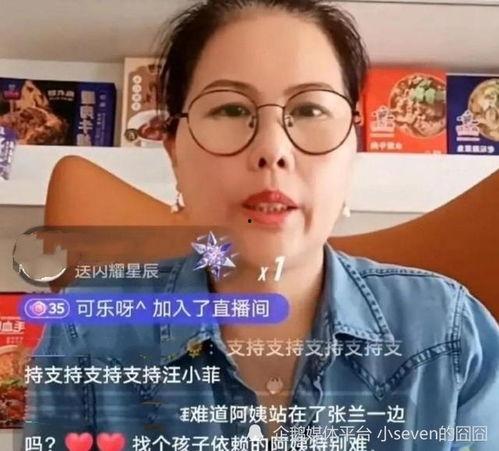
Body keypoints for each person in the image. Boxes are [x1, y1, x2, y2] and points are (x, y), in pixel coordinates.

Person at [24, 1, 498, 450]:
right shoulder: (84, 334)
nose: (272, 149)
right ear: (174, 152)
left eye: (310, 110)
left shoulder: (451, 335)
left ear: (351, 149)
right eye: (230, 109)